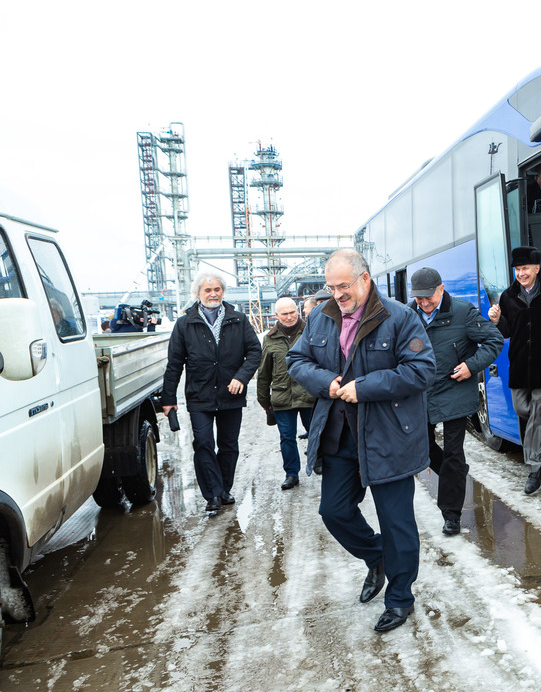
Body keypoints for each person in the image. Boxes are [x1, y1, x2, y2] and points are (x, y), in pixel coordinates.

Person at [286, 249, 434, 633]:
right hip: (339, 436)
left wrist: (363, 387)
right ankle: (378, 557)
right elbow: (297, 361)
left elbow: (421, 370)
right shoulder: (320, 317)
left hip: (388, 437)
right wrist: (326, 382)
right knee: (333, 512)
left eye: (344, 286)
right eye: (331, 287)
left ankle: (400, 598)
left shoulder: (400, 317)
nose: (337, 294)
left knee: (396, 521)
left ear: (365, 279)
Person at [408, 267, 503, 536]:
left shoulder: (463, 312)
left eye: (428, 297)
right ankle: (457, 473)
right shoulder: (407, 314)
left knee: (452, 452)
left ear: (441, 288)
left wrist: (471, 367)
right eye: (419, 299)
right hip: (421, 392)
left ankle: (451, 514)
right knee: (422, 449)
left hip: (454, 389)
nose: (424, 304)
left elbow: (494, 341)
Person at [161, 271, 261, 515]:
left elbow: (255, 352)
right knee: (204, 443)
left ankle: (224, 489)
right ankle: (212, 494)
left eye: (217, 289)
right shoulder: (185, 324)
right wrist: (168, 399)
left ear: (223, 292)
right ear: (198, 294)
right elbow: (174, 363)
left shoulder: (238, 319)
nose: (213, 294)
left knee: (228, 445)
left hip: (230, 394)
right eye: (208, 290)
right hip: (199, 395)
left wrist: (241, 377)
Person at [487, 247, 541, 495]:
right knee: (521, 409)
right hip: (521, 365)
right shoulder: (508, 296)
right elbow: (506, 332)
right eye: (517, 269)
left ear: (536, 268)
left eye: (525, 268)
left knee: (536, 415)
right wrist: (496, 320)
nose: (521, 273)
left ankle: (535, 468)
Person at [256, 297, 315, 491]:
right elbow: (264, 372)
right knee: (287, 437)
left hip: (309, 394)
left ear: (297, 311)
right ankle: (292, 474)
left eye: (292, 312)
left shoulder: (310, 331)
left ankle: (320, 461)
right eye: (285, 314)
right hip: (282, 397)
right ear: (276, 316)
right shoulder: (270, 339)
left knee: (316, 432)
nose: (290, 317)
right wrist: (264, 400)